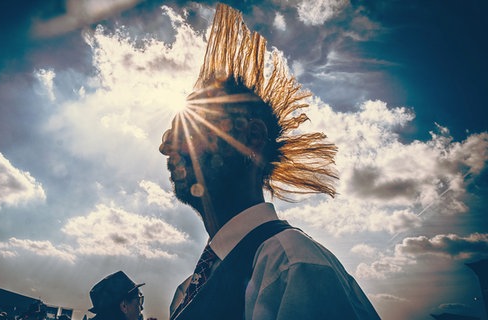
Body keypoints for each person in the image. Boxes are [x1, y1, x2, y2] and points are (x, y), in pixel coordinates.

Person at [159, 3, 380, 320]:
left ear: (252, 138)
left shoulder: (294, 267)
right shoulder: (186, 291)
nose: (168, 149)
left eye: (192, 133)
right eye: (173, 135)